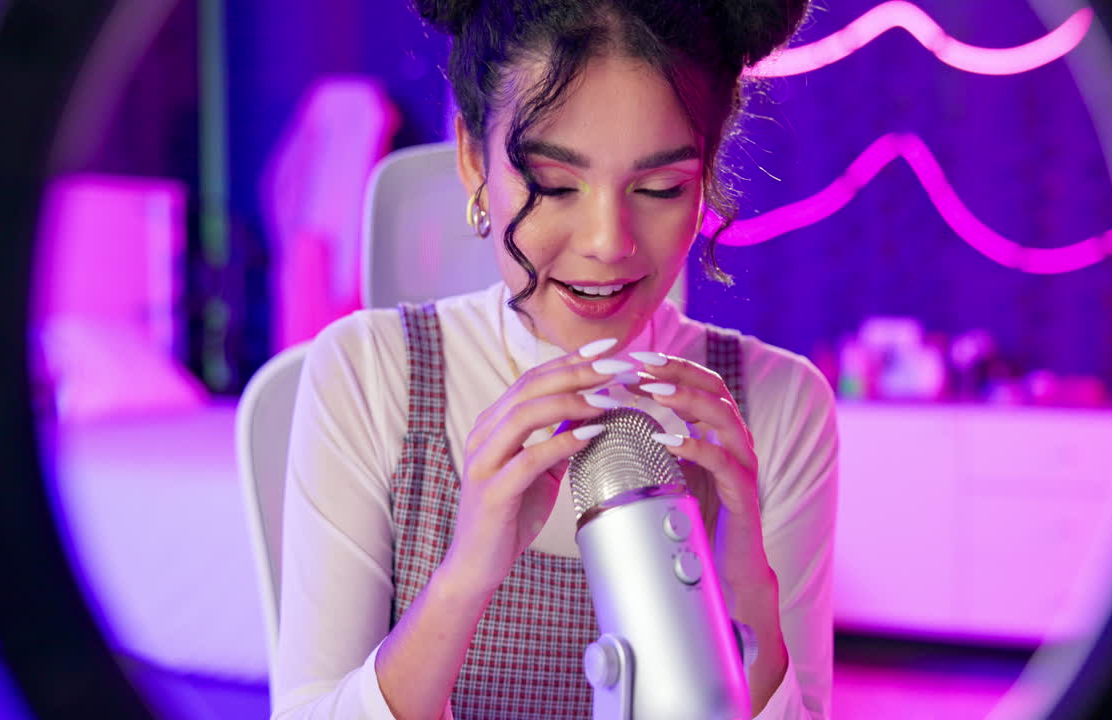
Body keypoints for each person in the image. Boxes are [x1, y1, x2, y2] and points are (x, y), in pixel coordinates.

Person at [271, 1, 838, 718]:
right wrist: (466, 575)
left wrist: (747, 595)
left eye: (660, 189)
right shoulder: (371, 374)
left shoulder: (777, 405)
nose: (608, 242)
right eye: (555, 184)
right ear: (474, 161)